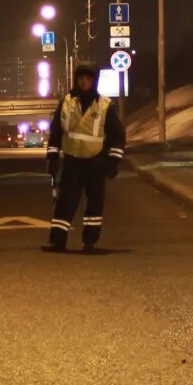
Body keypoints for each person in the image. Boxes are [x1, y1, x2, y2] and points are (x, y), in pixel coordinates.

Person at [43, 58, 125, 253]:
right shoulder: (66, 102)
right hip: (72, 161)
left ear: (94, 80)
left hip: (95, 162)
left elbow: (117, 136)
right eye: (81, 78)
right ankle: (58, 241)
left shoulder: (105, 106)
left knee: (95, 203)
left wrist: (113, 161)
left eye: (88, 78)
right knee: (65, 203)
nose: (84, 82)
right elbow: (56, 132)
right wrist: (52, 158)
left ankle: (90, 242)